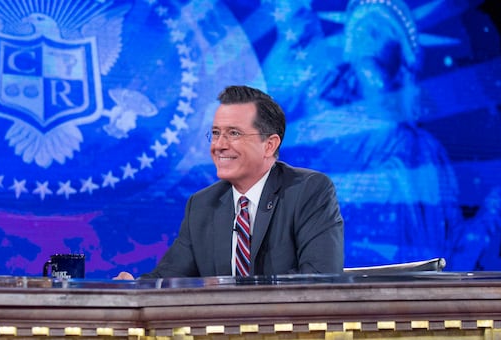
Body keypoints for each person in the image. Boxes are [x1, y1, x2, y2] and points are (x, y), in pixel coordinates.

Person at [117, 85, 343, 279]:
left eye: (234, 133)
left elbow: (320, 278)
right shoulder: (203, 204)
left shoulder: (309, 191)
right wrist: (134, 286)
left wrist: (234, 294)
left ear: (270, 145)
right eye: (215, 133)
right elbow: (168, 280)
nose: (219, 145)